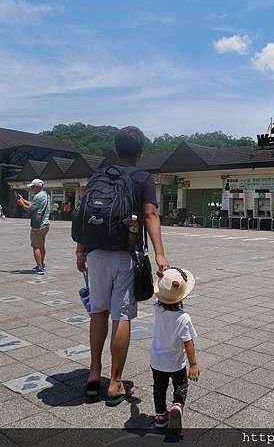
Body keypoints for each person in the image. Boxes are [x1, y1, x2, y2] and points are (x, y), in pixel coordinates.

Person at [75, 126, 170, 406]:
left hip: (94, 254)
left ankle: (94, 373)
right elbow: (150, 214)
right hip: (125, 256)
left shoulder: (98, 175)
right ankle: (115, 383)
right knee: (122, 315)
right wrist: (160, 255)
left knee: (98, 312)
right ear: (140, 152)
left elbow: (83, 214)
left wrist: (80, 250)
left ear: (115, 149)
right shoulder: (142, 178)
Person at [150, 268, 199, 431]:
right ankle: (177, 405)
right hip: (176, 363)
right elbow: (188, 343)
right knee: (180, 384)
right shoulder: (183, 318)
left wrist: (163, 278)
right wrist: (193, 365)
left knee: (159, 388)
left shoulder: (158, 309)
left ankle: (161, 416)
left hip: (157, 362)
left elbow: (158, 294)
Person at [16, 179, 50, 275]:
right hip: (45, 224)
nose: (31, 189)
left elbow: (29, 210)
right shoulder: (46, 195)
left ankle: (39, 267)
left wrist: (21, 203)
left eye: (32, 187)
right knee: (42, 245)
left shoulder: (37, 196)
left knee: (36, 247)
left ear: (37, 187)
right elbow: (33, 205)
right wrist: (23, 200)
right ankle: (42, 264)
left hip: (37, 225)